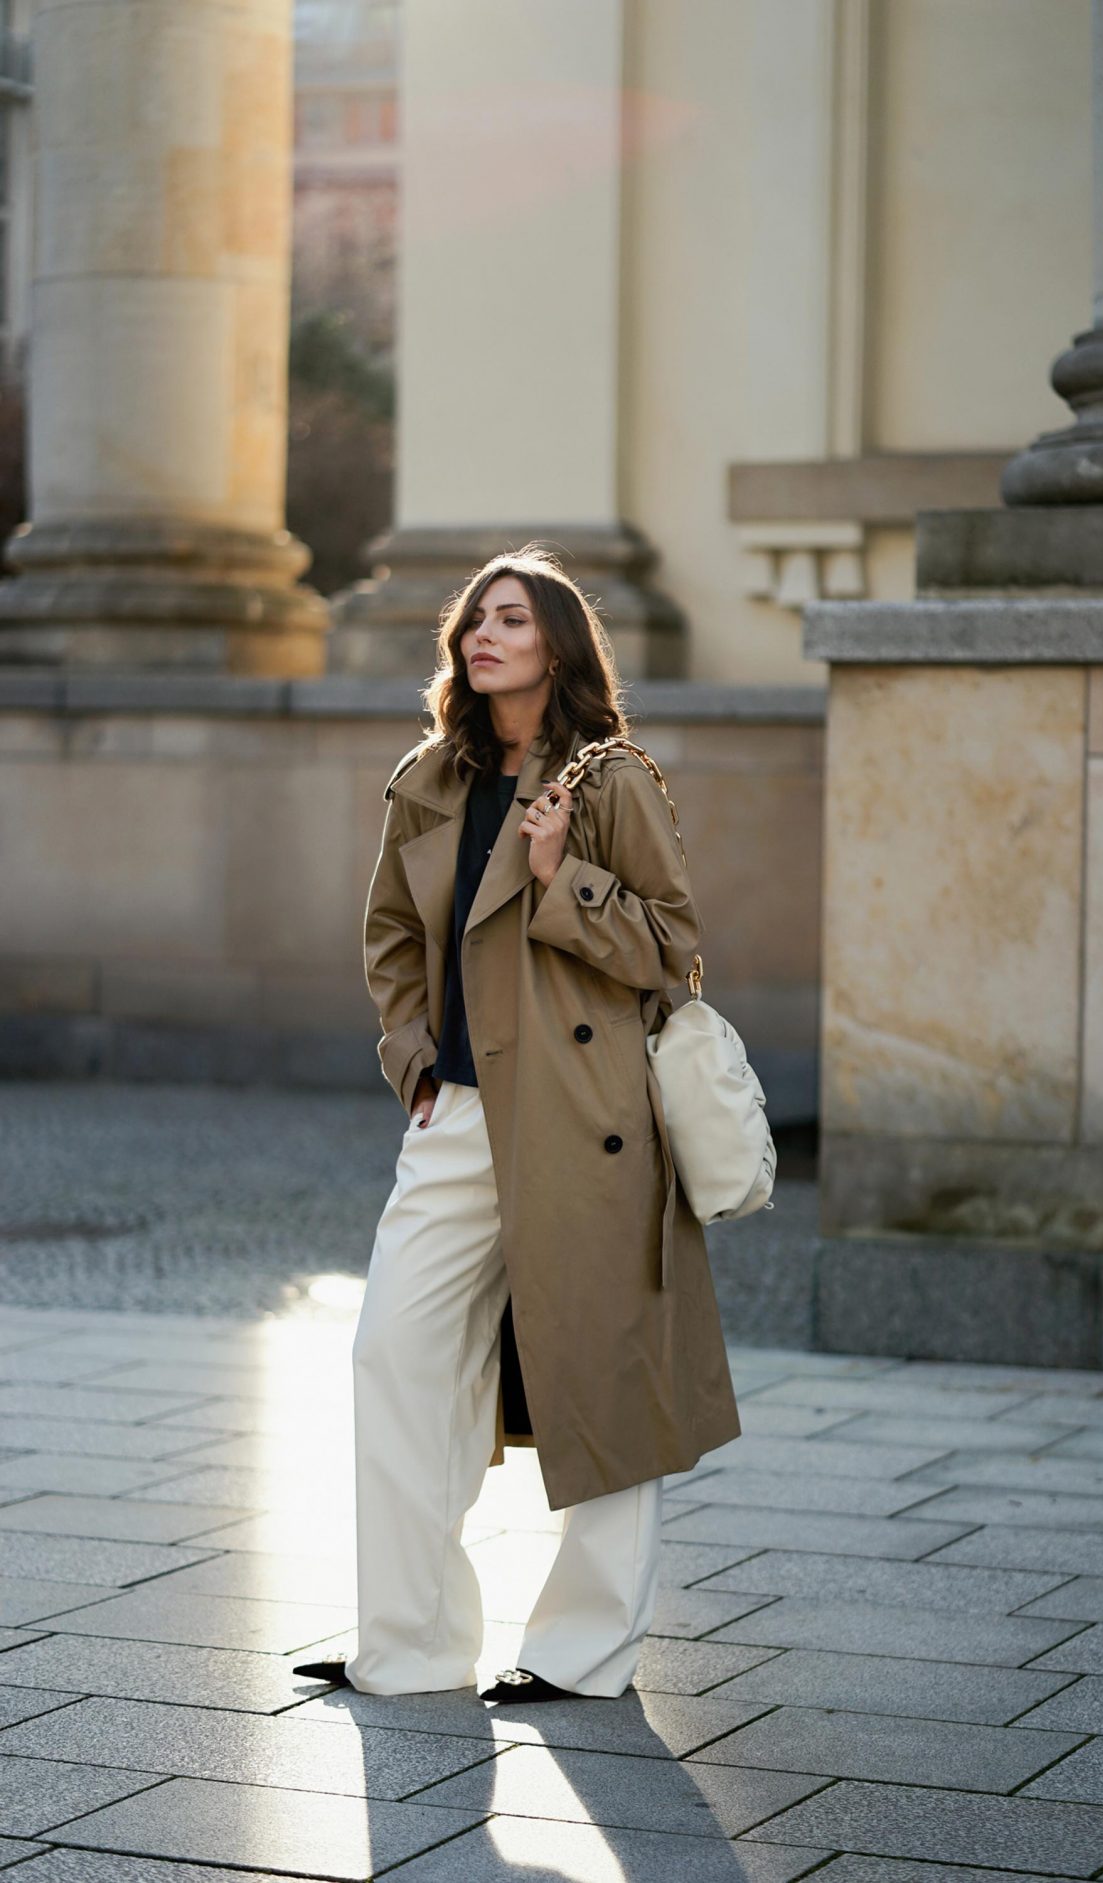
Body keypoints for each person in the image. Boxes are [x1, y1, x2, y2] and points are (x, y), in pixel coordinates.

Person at [294, 543, 740, 1702]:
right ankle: (409, 1640)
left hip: (584, 1117)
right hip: (457, 1115)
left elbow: (675, 947)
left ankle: (582, 1650)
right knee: (395, 1350)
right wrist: (409, 1056)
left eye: (509, 618)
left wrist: (561, 881)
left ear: (557, 642)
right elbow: (393, 934)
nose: (481, 635)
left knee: (603, 1370)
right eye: (472, 621)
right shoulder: (429, 776)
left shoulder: (609, 779)